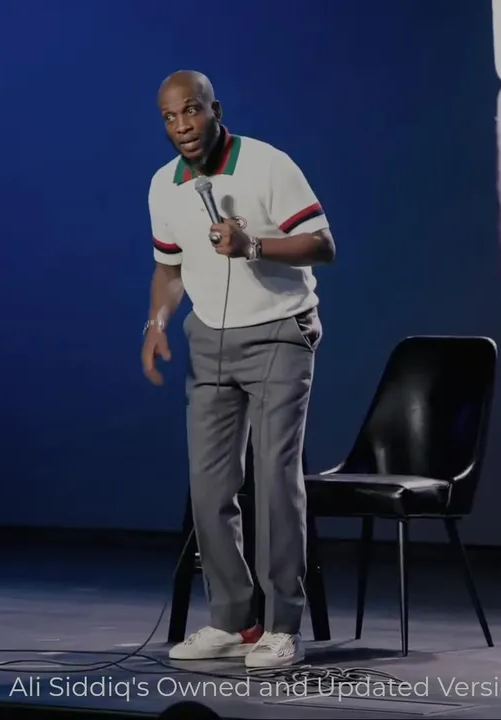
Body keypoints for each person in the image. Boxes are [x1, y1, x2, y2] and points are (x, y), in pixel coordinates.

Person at [141, 71, 335, 668]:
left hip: (279, 331)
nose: (183, 126)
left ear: (215, 109)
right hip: (210, 341)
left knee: (275, 480)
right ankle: (232, 620)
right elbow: (169, 268)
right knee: (208, 486)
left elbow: (322, 244)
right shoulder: (164, 185)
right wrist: (156, 324)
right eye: (170, 117)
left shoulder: (268, 164)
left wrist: (254, 246)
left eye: (192, 111)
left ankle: (282, 626)